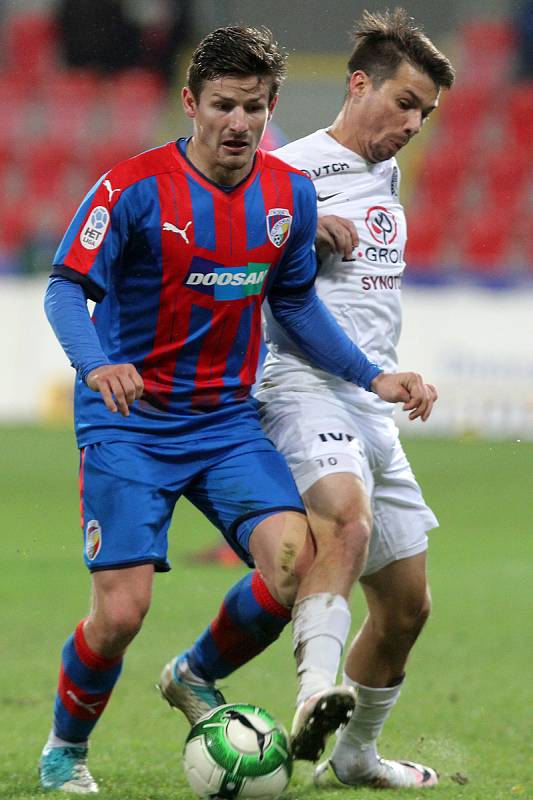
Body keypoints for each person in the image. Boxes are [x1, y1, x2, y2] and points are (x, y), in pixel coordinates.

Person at [39, 24, 434, 794]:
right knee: (120, 615)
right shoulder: (132, 188)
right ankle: (65, 749)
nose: (237, 124)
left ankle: (194, 675)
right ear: (190, 103)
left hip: (224, 425)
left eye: (253, 108)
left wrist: (368, 376)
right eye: (222, 105)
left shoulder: (286, 195)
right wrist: (97, 365)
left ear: (270, 106)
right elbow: (64, 287)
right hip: (131, 423)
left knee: (296, 563)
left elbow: (293, 300)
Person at [160, 8, 454, 789]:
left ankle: (353, 755)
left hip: (370, 395)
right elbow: (222, 239)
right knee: (343, 521)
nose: (413, 123)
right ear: (357, 83)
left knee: (405, 608)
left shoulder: (385, 175)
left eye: (424, 112)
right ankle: (312, 691)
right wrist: (284, 225)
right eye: (404, 102)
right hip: (294, 384)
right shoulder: (280, 170)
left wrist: (389, 373)